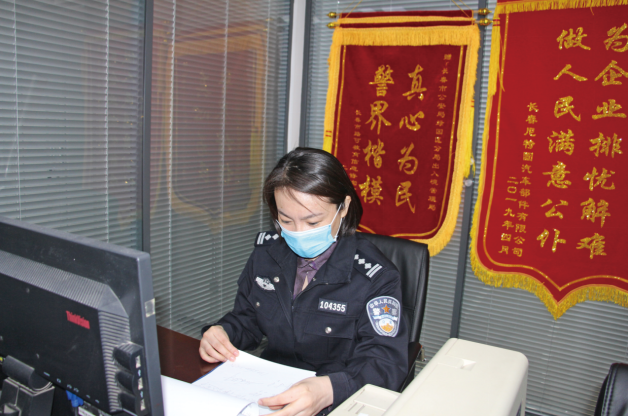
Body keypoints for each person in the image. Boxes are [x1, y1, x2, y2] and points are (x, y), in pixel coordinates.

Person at [199, 147, 408, 416]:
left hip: (338, 400)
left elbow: (385, 363)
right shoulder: (267, 253)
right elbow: (248, 318)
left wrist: (329, 389)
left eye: (313, 222)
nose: (298, 233)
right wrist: (222, 332)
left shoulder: (376, 276)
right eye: (286, 220)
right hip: (269, 391)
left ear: (343, 207)